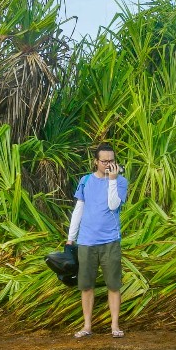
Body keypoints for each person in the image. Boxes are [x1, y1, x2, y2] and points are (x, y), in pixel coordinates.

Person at [67, 142, 128, 338]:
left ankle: (115, 326)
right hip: (86, 241)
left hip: (110, 240)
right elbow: (79, 209)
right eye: (104, 161)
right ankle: (86, 326)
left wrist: (112, 180)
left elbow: (113, 205)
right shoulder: (85, 181)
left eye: (112, 161)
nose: (108, 165)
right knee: (86, 285)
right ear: (96, 162)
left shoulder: (120, 181)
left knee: (113, 285)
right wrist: (71, 238)